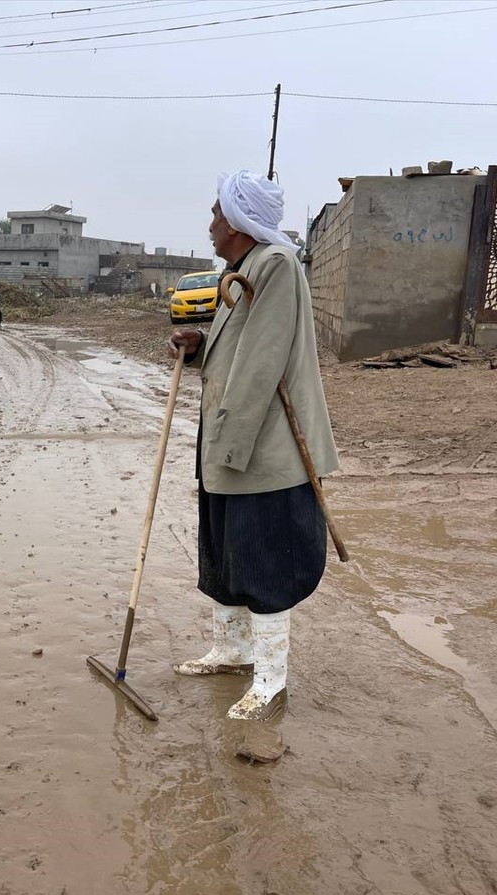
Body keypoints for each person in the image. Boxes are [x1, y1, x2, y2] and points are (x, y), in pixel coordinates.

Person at [168, 170, 339, 720]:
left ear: (240, 221)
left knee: (265, 558)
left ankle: (270, 678)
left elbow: (263, 362)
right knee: (225, 550)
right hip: (228, 439)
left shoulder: (276, 265)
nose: (211, 224)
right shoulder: (238, 269)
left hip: (260, 447)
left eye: (218, 213)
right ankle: (232, 650)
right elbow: (233, 346)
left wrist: (229, 446)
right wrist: (197, 344)